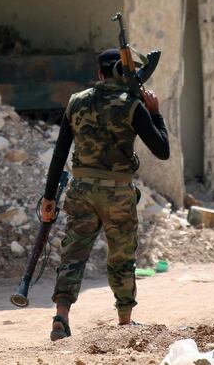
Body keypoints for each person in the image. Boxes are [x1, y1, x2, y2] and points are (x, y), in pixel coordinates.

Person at [40, 48, 170, 341]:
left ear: (100, 73)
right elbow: (162, 151)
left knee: (73, 253)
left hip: (81, 191)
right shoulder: (133, 107)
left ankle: (61, 316)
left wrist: (49, 198)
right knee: (121, 255)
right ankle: (124, 321)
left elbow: (60, 153)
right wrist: (155, 113)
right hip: (117, 194)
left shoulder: (77, 102)